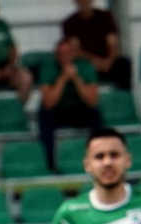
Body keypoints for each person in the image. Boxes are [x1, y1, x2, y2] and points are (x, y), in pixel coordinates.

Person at [37, 37, 100, 172]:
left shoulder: (85, 66)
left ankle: (97, 159)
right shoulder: (48, 67)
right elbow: (49, 102)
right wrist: (63, 78)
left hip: (79, 110)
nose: (64, 57)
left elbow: (92, 100)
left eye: (67, 53)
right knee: (44, 116)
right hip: (57, 111)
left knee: (96, 115)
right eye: (61, 54)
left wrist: (76, 78)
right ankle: (50, 165)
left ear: (73, 54)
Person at [61, 0, 131, 90]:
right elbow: (75, 50)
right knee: (74, 68)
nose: (84, 2)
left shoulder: (105, 17)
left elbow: (113, 44)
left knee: (124, 64)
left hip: (107, 62)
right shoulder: (70, 23)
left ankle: (123, 98)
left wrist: (109, 61)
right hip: (85, 64)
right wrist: (94, 61)